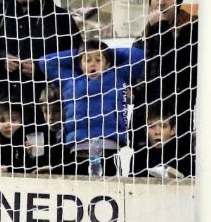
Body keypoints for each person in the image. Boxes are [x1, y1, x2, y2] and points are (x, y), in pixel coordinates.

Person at [36, 39, 145, 176]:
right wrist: (81, 52)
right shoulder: (71, 80)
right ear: (80, 64)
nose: (93, 63)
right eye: (87, 60)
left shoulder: (117, 76)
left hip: (108, 144)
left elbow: (138, 56)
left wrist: (107, 52)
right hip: (79, 145)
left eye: (98, 60)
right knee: (80, 183)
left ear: (108, 63)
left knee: (107, 183)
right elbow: (45, 62)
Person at [131, 0, 198, 134]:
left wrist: (159, 27)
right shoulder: (143, 37)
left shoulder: (192, 29)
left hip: (175, 120)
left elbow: (172, 66)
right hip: (144, 120)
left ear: (178, 2)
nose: (160, 2)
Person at [129, 108, 194, 178]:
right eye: (151, 126)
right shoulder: (139, 155)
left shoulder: (183, 154)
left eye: (163, 126)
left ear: (172, 130)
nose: (157, 132)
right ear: (145, 131)